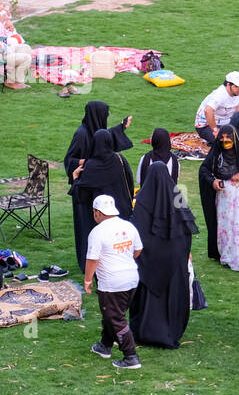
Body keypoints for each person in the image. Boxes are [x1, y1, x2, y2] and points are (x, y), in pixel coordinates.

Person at [130, 161, 198, 350]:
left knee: (149, 298)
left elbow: (136, 230)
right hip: (173, 260)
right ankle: (169, 332)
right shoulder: (176, 197)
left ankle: (145, 331)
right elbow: (187, 228)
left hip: (150, 260)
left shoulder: (143, 199)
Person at [84, 194, 144, 370]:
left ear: (97, 212)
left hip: (112, 283)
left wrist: (88, 279)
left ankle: (131, 356)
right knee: (111, 314)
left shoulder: (97, 232)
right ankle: (105, 345)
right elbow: (138, 250)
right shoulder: (128, 226)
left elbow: (92, 259)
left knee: (116, 317)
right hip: (132, 278)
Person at [197, 124, 239, 273]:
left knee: (238, 227)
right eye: (222, 138)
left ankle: (238, 257)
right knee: (224, 226)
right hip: (222, 198)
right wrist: (213, 181)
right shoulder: (217, 153)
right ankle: (226, 256)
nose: (225, 141)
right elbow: (204, 169)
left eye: (228, 138)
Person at [70, 130, 135, 273]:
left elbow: (81, 194)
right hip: (121, 211)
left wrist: (75, 178)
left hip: (102, 216)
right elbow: (129, 183)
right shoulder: (120, 159)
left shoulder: (92, 166)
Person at [64, 101, 133, 182]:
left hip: (97, 177)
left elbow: (103, 137)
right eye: (105, 114)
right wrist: (90, 162)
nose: (107, 116)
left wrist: (121, 126)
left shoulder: (93, 128)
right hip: (85, 181)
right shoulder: (81, 134)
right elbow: (69, 160)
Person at [195, 72, 239, 146]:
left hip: (224, 121)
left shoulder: (236, 92)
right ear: (228, 85)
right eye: (236, 86)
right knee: (227, 143)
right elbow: (208, 111)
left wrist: (238, 122)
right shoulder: (220, 95)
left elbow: (236, 107)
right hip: (206, 125)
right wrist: (215, 130)